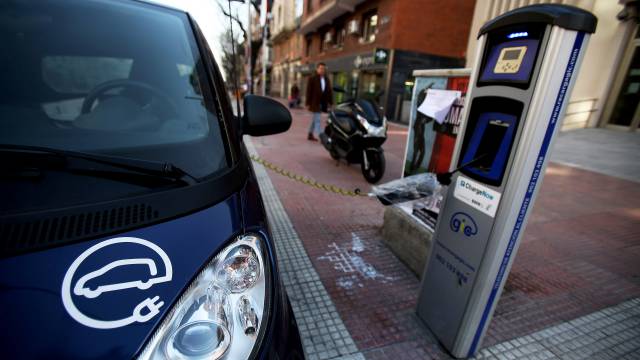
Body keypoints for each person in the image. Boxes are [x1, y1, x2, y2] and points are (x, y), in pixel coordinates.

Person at [305, 63, 333, 141]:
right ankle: (321, 137)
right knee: (317, 120)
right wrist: (307, 103)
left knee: (315, 120)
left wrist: (331, 103)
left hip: (322, 103)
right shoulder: (312, 78)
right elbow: (308, 92)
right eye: (320, 68)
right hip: (315, 103)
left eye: (323, 69)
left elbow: (329, 92)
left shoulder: (326, 79)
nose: (322, 70)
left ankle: (310, 134)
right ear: (317, 69)